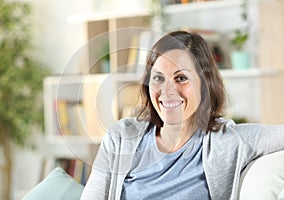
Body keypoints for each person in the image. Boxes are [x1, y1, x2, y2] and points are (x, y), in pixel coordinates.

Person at [80, 31, 284, 200]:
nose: (168, 91)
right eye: (158, 78)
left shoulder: (228, 140)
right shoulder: (121, 136)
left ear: (205, 84)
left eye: (181, 78)